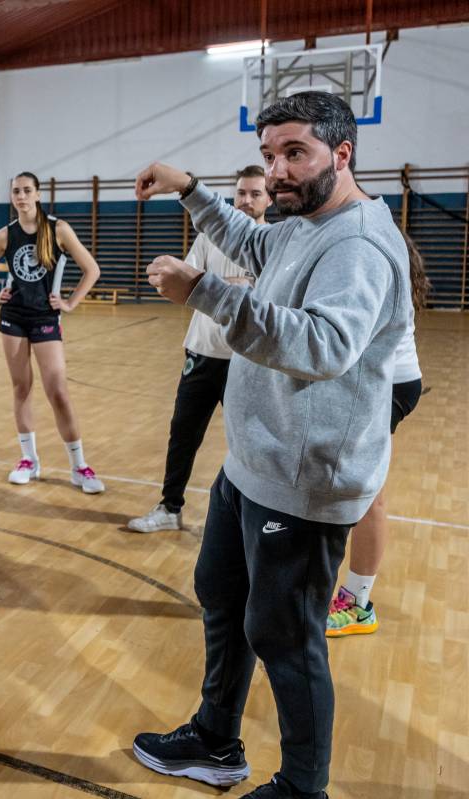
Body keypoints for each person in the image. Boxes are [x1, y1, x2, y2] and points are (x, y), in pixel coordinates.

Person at [130, 92, 409, 799]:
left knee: (286, 638)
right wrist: (191, 190)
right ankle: (215, 739)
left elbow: (325, 345)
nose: (278, 170)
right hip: (254, 462)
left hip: (306, 478)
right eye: (268, 155)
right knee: (221, 595)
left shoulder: (357, 243)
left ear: (342, 154)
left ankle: (303, 789)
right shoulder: (302, 223)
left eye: (294, 154)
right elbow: (253, 243)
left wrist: (205, 292)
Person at [128, 166, 271, 532]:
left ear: (269, 198)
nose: (246, 200)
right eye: (241, 193)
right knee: (183, 434)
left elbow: (275, 303)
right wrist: (229, 285)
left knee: (249, 444)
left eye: (255, 193)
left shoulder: (274, 243)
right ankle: (169, 507)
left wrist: (216, 285)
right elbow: (184, 286)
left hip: (248, 359)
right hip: (202, 353)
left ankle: (252, 519)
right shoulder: (211, 236)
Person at [0, 171, 104, 492]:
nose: (21, 196)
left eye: (27, 190)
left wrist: (69, 303)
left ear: (38, 194)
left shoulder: (58, 229)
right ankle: (29, 460)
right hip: (13, 318)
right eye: (16, 191)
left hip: (45, 317)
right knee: (22, 388)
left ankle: (79, 467)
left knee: (57, 390)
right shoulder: (5, 235)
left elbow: (92, 269)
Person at [326, 233, 428, 637]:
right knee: (361, 490)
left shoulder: (371, 257)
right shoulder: (376, 250)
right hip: (382, 382)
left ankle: (358, 605)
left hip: (386, 385)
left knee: (367, 494)